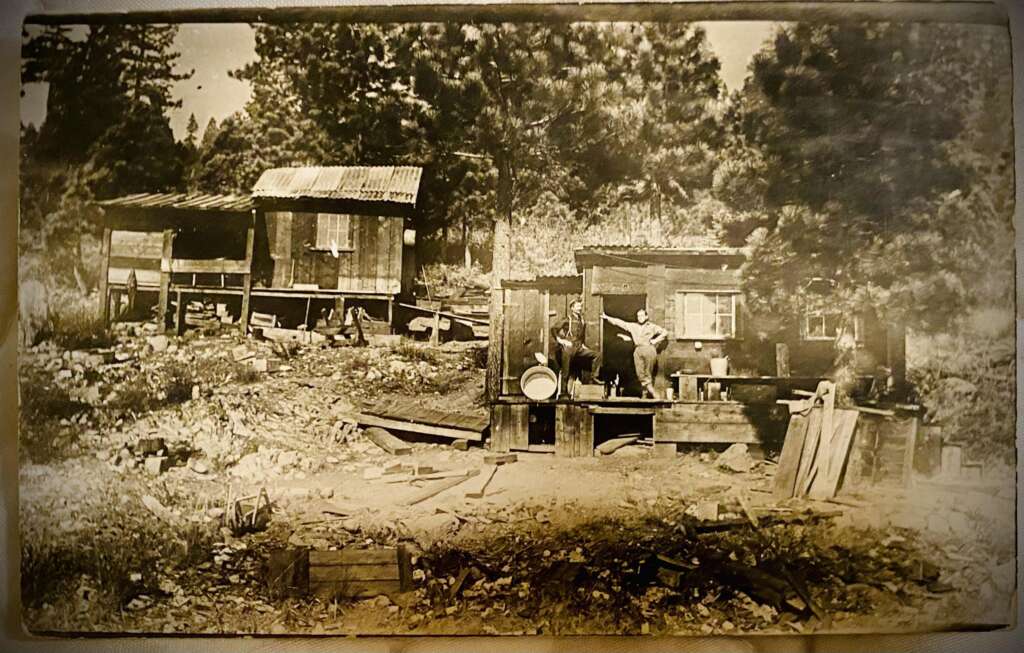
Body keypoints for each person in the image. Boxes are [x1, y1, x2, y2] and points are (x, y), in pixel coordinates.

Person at [601, 308, 668, 399]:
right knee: (639, 373)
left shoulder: (652, 326)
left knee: (648, 372)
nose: (639, 317)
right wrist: (607, 317)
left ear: (646, 316)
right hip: (638, 350)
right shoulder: (633, 326)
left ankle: (646, 393)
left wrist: (655, 340)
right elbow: (620, 323)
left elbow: (665, 332)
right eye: (638, 316)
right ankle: (651, 391)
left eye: (641, 315)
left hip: (649, 349)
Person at [551, 299, 601, 393]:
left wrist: (583, 345)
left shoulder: (582, 320)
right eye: (577, 306)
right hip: (568, 348)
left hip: (579, 348)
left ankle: (594, 377)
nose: (579, 308)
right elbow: (554, 329)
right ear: (572, 308)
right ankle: (563, 393)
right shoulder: (567, 319)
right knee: (566, 372)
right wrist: (561, 341)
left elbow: (581, 336)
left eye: (580, 306)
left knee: (597, 355)